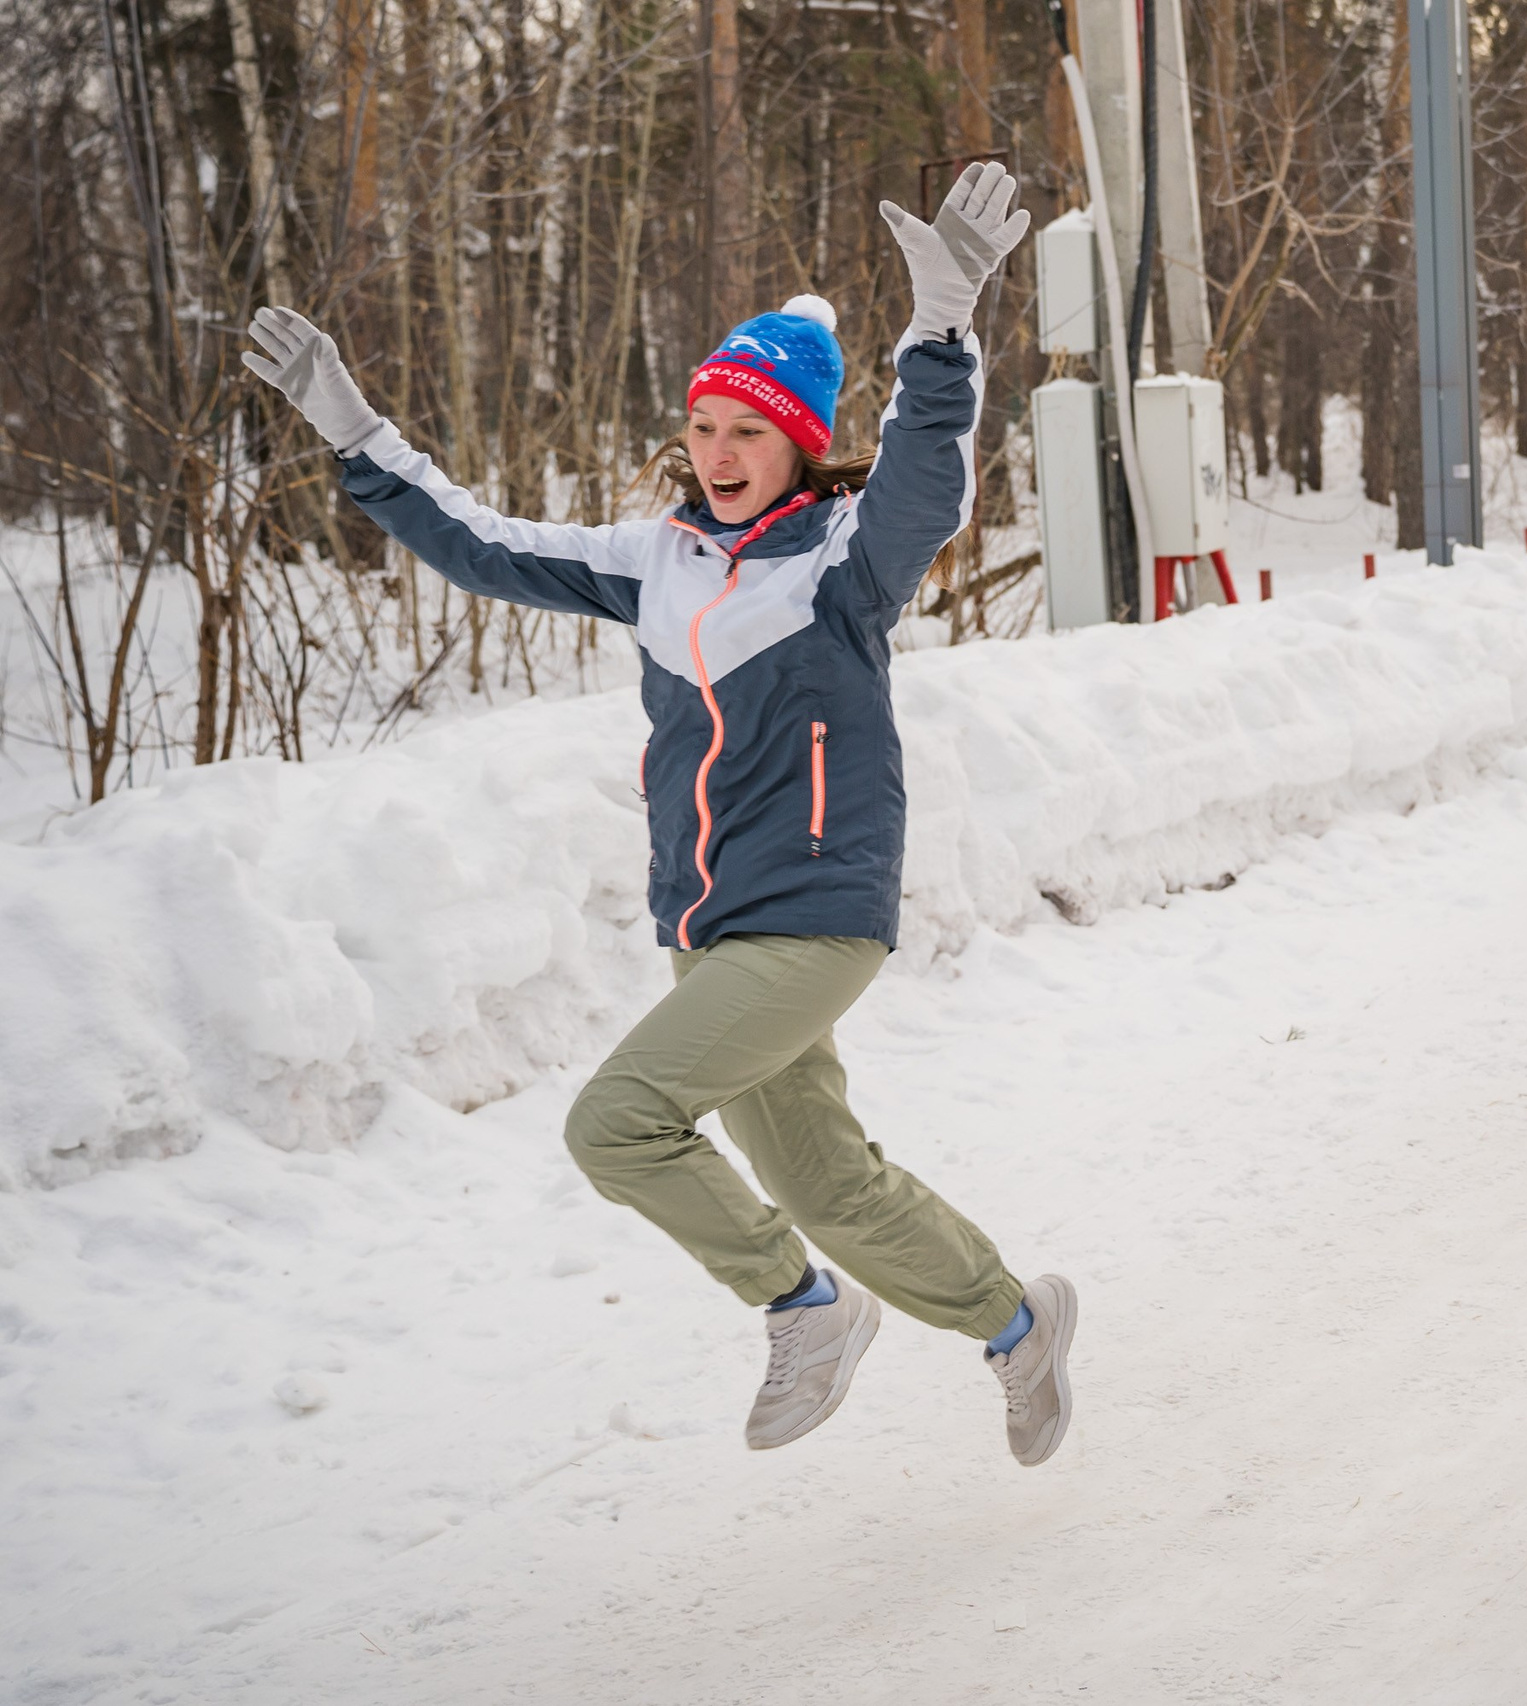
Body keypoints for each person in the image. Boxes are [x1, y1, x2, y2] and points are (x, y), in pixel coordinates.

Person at [242, 163, 1079, 1465]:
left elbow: (930, 486)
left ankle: (802, 1305)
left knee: (617, 1120)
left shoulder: (846, 557)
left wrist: (943, 329)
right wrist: (362, 439)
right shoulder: (654, 564)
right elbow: (482, 542)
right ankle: (1018, 1321)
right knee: (823, 1179)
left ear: (801, 441)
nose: (719, 452)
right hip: (711, 922)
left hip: (816, 911)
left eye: (748, 431)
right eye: (703, 427)